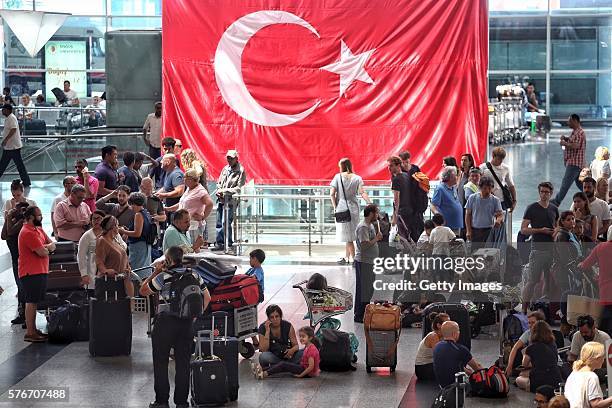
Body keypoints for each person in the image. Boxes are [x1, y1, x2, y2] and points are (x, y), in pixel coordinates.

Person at [140, 246, 211, 408]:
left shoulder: (164, 277)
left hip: (165, 323)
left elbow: (143, 290)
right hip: (186, 324)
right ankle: (181, 402)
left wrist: (155, 272)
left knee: (161, 362)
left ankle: (162, 401)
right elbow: (207, 297)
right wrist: (194, 316)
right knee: (183, 364)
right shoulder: (194, 275)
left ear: (168, 259)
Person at [18, 206, 55, 342]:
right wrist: (46, 248)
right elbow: (42, 252)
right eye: (39, 215)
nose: (41, 217)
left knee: (34, 301)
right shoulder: (27, 232)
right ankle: (30, 332)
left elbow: (52, 244)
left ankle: (33, 330)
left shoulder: (38, 229)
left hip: (40, 270)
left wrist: (46, 247)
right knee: (31, 301)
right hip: (30, 272)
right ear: (31, 217)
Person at [521, 182, 559, 314]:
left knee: (548, 279)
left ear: (551, 193)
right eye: (542, 192)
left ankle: (544, 305)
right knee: (532, 280)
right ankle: (524, 308)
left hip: (551, 249)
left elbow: (557, 226)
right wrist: (540, 230)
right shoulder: (532, 208)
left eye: (546, 192)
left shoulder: (554, 209)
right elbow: (524, 229)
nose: (544, 194)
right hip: (537, 250)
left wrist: (555, 233)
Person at [330, 158, 372, 265]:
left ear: (341, 166)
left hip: (341, 208)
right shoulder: (357, 178)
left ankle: (355, 259)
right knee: (351, 234)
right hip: (354, 208)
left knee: (347, 236)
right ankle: (346, 257)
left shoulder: (337, 177)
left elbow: (331, 194)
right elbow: (362, 192)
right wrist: (369, 202)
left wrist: (335, 206)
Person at [164, 169, 213, 245]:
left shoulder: (200, 191)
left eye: (185, 178)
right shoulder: (189, 189)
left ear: (191, 180)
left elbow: (210, 204)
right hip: (185, 225)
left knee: (193, 247)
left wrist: (203, 216)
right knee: (187, 247)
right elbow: (182, 203)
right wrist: (169, 209)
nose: (184, 180)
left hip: (193, 225)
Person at [2, 201, 31, 326]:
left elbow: (11, 232)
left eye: (25, 209)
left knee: (24, 288)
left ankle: (26, 316)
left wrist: (8, 218)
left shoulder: (23, 223)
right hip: (16, 260)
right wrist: (7, 219)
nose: (22, 211)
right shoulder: (13, 222)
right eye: (19, 209)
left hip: (24, 261)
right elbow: (4, 235)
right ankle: (22, 313)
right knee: (21, 288)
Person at [252, 326, 320, 379]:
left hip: (307, 372)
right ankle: (261, 370)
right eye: (300, 336)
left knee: (284, 365)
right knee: (284, 365)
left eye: (303, 336)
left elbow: (311, 367)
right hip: (303, 367)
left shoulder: (311, 350)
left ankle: (265, 373)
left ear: (310, 338)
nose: (301, 338)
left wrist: (301, 375)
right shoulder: (308, 347)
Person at [213, 150, 246, 252]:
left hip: (231, 201)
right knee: (219, 222)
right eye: (228, 158)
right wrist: (219, 190)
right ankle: (220, 243)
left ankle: (229, 243)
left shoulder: (241, 170)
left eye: (231, 158)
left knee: (226, 222)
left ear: (236, 159)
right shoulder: (225, 169)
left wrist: (224, 191)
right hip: (221, 199)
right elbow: (219, 182)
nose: (229, 160)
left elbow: (238, 188)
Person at [354, 204, 382, 323]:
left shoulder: (370, 225)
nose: (378, 215)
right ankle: (359, 314)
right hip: (364, 261)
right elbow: (364, 245)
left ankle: (365, 311)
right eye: (376, 213)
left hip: (370, 261)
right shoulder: (363, 227)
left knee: (369, 288)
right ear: (371, 213)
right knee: (363, 289)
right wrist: (377, 238)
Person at [433, 321, 483, 387]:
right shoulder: (460, 349)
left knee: (467, 370)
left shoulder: (437, 346)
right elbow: (477, 368)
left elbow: (451, 364)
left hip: (442, 384)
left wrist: (468, 372)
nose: (459, 332)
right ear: (454, 334)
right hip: (457, 386)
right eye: (458, 330)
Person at [515, 321, 562, 393]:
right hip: (555, 380)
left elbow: (524, 365)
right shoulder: (553, 344)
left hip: (538, 382)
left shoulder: (531, 348)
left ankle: (529, 386)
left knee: (519, 378)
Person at [95, 215, 134, 298]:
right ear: (112, 227)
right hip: (109, 283)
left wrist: (128, 266)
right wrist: (105, 270)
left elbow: (123, 255)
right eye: (117, 225)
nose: (118, 227)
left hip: (121, 281)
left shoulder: (115, 240)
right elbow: (99, 261)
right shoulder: (102, 241)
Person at [564, 342, 612, 408]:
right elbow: (596, 405)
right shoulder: (591, 376)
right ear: (597, 358)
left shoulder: (574, 374)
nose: (603, 360)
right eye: (603, 357)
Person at [552, 114, 586, 207]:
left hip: (574, 163)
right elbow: (573, 141)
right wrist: (566, 139)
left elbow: (576, 145)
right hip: (576, 163)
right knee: (581, 184)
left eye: (569, 121)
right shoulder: (576, 132)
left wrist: (564, 143)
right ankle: (592, 196)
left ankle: (556, 202)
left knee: (565, 184)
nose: (568, 123)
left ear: (575, 121)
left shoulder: (579, 132)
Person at [579, 240, 612, 336]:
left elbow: (586, 264)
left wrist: (581, 265)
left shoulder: (601, 247)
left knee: (605, 325)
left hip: (606, 293)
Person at [555, 211, 584, 316]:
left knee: (574, 294)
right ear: (562, 222)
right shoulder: (561, 235)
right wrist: (573, 268)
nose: (572, 221)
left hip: (574, 268)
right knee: (567, 294)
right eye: (568, 220)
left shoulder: (572, 234)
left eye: (573, 219)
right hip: (565, 270)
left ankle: (571, 317)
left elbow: (578, 251)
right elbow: (564, 256)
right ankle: (564, 318)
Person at [389, 156, 424, 242]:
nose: (389, 168)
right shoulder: (406, 176)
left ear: (398, 166)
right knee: (409, 235)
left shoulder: (396, 179)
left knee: (402, 237)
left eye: (391, 165)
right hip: (410, 210)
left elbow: (396, 200)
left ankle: (404, 254)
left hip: (402, 212)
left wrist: (395, 216)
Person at [119, 192, 153, 273]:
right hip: (145, 245)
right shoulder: (146, 213)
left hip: (138, 246)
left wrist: (124, 231)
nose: (131, 207)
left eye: (132, 204)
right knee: (145, 269)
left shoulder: (138, 215)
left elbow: (137, 233)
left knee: (136, 271)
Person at [505, 311, 546, 377]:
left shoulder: (546, 335)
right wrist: (509, 365)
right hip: (533, 362)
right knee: (518, 350)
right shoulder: (528, 333)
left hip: (544, 364)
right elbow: (515, 348)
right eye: (529, 323)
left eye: (533, 322)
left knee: (520, 378)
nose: (530, 325)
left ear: (540, 323)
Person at [464, 176, 503, 245]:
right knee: (475, 253)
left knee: (488, 252)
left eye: (489, 188)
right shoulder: (472, 198)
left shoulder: (495, 200)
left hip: (489, 230)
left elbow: (500, 214)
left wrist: (498, 220)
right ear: (480, 187)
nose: (487, 191)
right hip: (475, 230)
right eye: (485, 188)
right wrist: (468, 231)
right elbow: (468, 215)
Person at [0, 104, 30, 186]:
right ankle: (26, 182)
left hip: (13, 147)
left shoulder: (11, 118)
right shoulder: (8, 118)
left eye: (3, 109)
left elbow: (13, 129)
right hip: (10, 147)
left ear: (8, 110)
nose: (2, 111)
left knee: (4, 164)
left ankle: (26, 181)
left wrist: (6, 140)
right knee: (8, 164)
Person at [415, 312, 450, 381]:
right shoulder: (433, 336)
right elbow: (440, 357)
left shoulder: (442, 336)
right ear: (439, 325)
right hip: (423, 369)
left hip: (430, 365)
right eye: (447, 323)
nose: (450, 325)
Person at [479, 147, 517, 212]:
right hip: (486, 199)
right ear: (493, 156)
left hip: (501, 201)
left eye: (502, 159)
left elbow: (511, 185)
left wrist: (514, 200)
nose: (501, 161)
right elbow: (478, 184)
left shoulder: (506, 168)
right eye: (499, 159)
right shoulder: (483, 168)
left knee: (501, 220)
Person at [77, 211, 106, 291]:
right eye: (94, 219)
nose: (97, 221)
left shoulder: (110, 232)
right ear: (91, 221)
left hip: (108, 271)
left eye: (99, 218)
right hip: (92, 272)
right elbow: (81, 256)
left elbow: (123, 246)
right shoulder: (87, 236)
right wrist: (84, 274)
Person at [430, 166, 463, 234]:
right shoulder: (440, 189)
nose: (457, 177)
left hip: (456, 225)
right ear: (450, 178)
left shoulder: (452, 187)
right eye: (455, 176)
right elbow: (433, 205)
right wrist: (438, 215)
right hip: (447, 227)